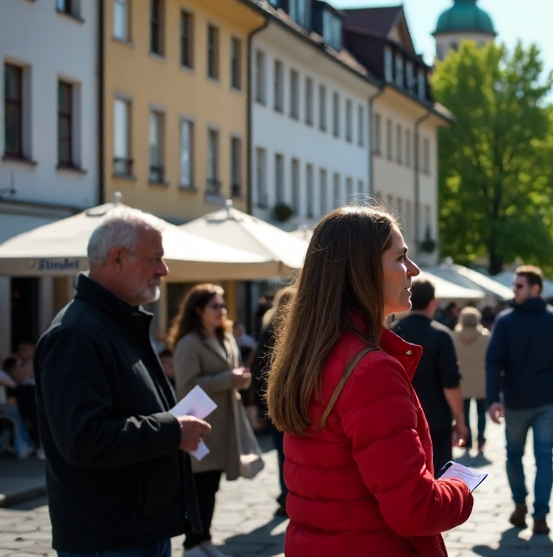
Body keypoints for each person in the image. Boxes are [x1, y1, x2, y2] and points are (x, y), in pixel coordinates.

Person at [268, 206, 472, 556]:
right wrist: (460, 487)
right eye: (401, 258)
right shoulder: (370, 370)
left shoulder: (314, 351)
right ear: (362, 270)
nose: (414, 270)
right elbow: (414, 509)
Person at [35, 208, 209, 556]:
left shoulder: (114, 322)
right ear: (117, 259)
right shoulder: (77, 333)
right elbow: (84, 438)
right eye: (155, 259)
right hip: (109, 536)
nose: (164, 270)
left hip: (137, 528)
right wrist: (172, 431)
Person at [486, 265, 553, 535]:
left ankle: (525, 506)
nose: (514, 290)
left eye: (519, 286)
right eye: (514, 286)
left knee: (518, 455)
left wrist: (493, 398)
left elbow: (493, 362)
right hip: (541, 399)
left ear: (535, 288)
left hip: (521, 399)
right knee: (541, 458)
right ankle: (536, 514)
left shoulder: (506, 320)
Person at [170, 284, 252, 557]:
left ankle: (204, 538)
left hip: (224, 423)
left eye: (223, 306)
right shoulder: (188, 342)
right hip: (200, 425)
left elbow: (232, 374)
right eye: (215, 306)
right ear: (198, 310)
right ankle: (192, 543)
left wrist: (240, 378)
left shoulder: (225, 336)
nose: (222, 311)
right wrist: (230, 379)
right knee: (199, 486)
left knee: (212, 485)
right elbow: (187, 385)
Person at [391, 279, 468, 472]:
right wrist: (460, 419)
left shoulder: (393, 332)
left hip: (399, 418)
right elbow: (450, 383)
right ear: (432, 302)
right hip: (436, 419)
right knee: (439, 477)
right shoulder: (441, 335)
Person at [253, 284, 296, 516]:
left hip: (273, 402)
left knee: (284, 451)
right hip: (283, 403)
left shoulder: (268, 328)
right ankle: (288, 494)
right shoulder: (281, 332)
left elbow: (257, 369)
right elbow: (260, 368)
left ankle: (286, 494)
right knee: (287, 451)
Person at [452, 306, 490, 456]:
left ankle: (466, 441)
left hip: (462, 381)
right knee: (481, 413)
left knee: (465, 413)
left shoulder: (454, 336)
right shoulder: (486, 337)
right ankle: (480, 440)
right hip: (481, 380)